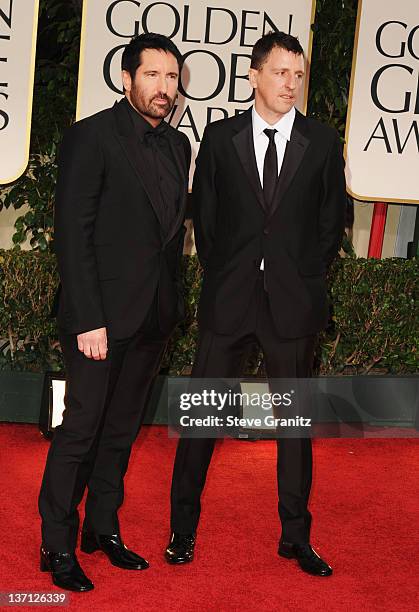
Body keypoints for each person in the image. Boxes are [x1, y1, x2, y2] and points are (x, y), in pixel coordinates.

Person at [165, 31, 346, 577]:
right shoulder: (220, 138)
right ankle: (182, 529)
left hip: (292, 306)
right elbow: (208, 218)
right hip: (230, 300)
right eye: (280, 73)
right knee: (201, 420)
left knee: (295, 428)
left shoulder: (321, 140)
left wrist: (299, 275)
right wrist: (232, 272)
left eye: (298, 75)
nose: (290, 84)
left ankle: (296, 536)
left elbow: (330, 221)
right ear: (254, 75)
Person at [39, 33, 191, 592]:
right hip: (98, 319)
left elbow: (167, 239)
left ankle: (101, 527)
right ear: (126, 80)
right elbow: (72, 236)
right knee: (80, 429)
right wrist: (87, 318)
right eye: (152, 76)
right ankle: (55, 542)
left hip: (152, 318)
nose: (163, 88)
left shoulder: (177, 148)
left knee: (121, 432)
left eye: (171, 78)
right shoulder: (91, 137)